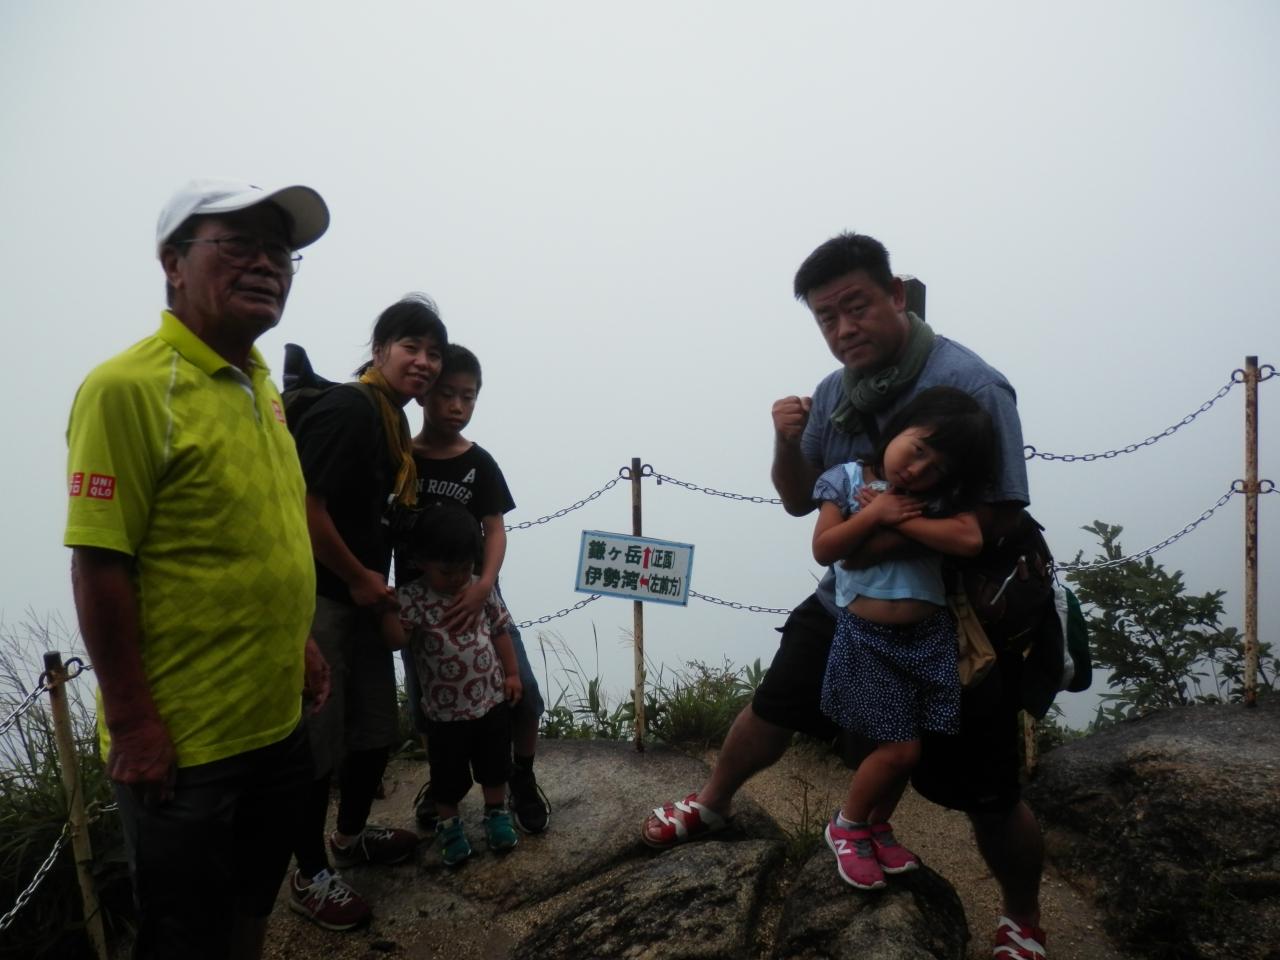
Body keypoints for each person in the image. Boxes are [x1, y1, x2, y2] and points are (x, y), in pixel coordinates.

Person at [642, 232, 1048, 960]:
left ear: (896, 294)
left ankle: (1022, 918)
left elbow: (999, 517)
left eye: (856, 306)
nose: (842, 328)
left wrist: (869, 541)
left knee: (986, 789)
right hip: (848, 601)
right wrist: (784, 441)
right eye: (826, 317)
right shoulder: (833, 394)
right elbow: (800, 501)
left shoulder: (973, 386)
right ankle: (713, 804)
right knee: (776, 704)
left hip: (952, 617)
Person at [65, 178, 332, 959]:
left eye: (280, 251)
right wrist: (135, 725)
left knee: (252, 905)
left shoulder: (261, 383)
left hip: (276, 724)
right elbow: (99, 562)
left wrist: (299, 641)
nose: (267, 264)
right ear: (173, 263)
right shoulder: (128, 388)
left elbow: (258, 530)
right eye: (239, 244)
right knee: (185, 936)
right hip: (188, 751)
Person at [287, 295, 446, 930]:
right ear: (379, 351)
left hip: (364, 600)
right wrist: (358, 580)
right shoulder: (352, 410)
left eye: (434, 352)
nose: (425, 361)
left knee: (375, 730)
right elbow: (305, 506)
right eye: (411, 347)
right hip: (324, 601)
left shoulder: (390, 424)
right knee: (317, 744)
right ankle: (308, 874)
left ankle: (349, 840)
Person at [812, 387, 994, 890]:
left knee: (913, 744)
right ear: (897, 429)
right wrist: (875, 514)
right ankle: (847, 825)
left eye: (936, 466)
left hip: (929, 636)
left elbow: (970, 539)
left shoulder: (938, 500)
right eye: (917, 449)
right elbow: (826, 548)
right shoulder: (844, 480)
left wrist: (901, 519)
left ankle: (876, 825)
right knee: (901, 750)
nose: (918, 470)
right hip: (869, 638)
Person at [398, 344, 550, 834]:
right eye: (447, 394)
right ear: (424, 395)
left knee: (522, 691)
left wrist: (484, 585)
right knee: (428, 706)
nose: (457, 406)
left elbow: (495, 528)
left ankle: (521, 774)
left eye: (468, 396)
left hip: (479, 598)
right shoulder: (401, 460)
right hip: (421, 609)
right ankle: (441, 785)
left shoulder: (478, 462)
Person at [385, 502, 523, 865]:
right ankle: (449, 826)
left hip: (490, 701)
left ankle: (496, 814)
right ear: (420, 561)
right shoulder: (412, 599)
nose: (457, 578)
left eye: (464, 568)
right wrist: (384, 611)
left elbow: (500, 631)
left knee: (495, 766)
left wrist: (511, 674)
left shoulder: (479, 589)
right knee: (446, 776)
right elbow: (397, 641)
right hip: (444, 713)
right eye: (447, 571)